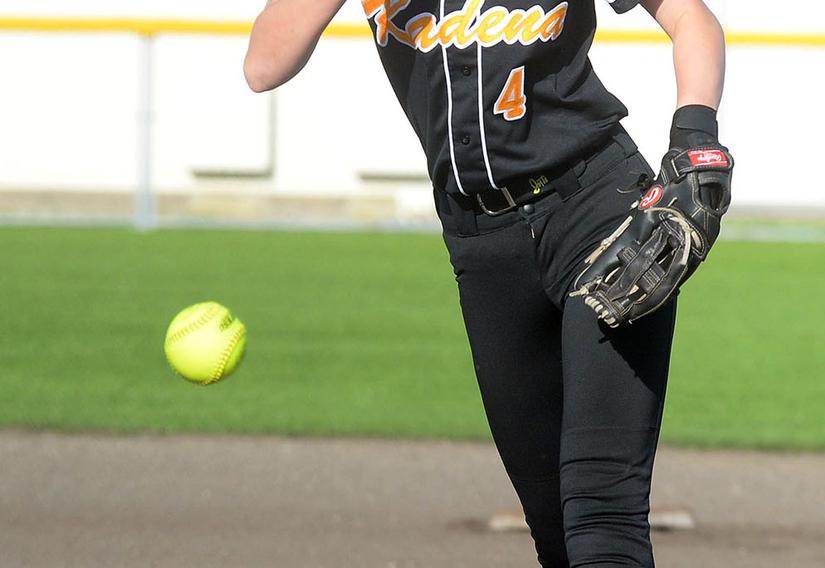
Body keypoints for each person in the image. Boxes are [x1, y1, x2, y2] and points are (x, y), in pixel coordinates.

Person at [244, 1, 732, 566]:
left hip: (598, 210)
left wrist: (694, 132)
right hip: (482, 245)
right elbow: (264, 65)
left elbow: (690, 18)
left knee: (602, 514)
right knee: (552, 527)